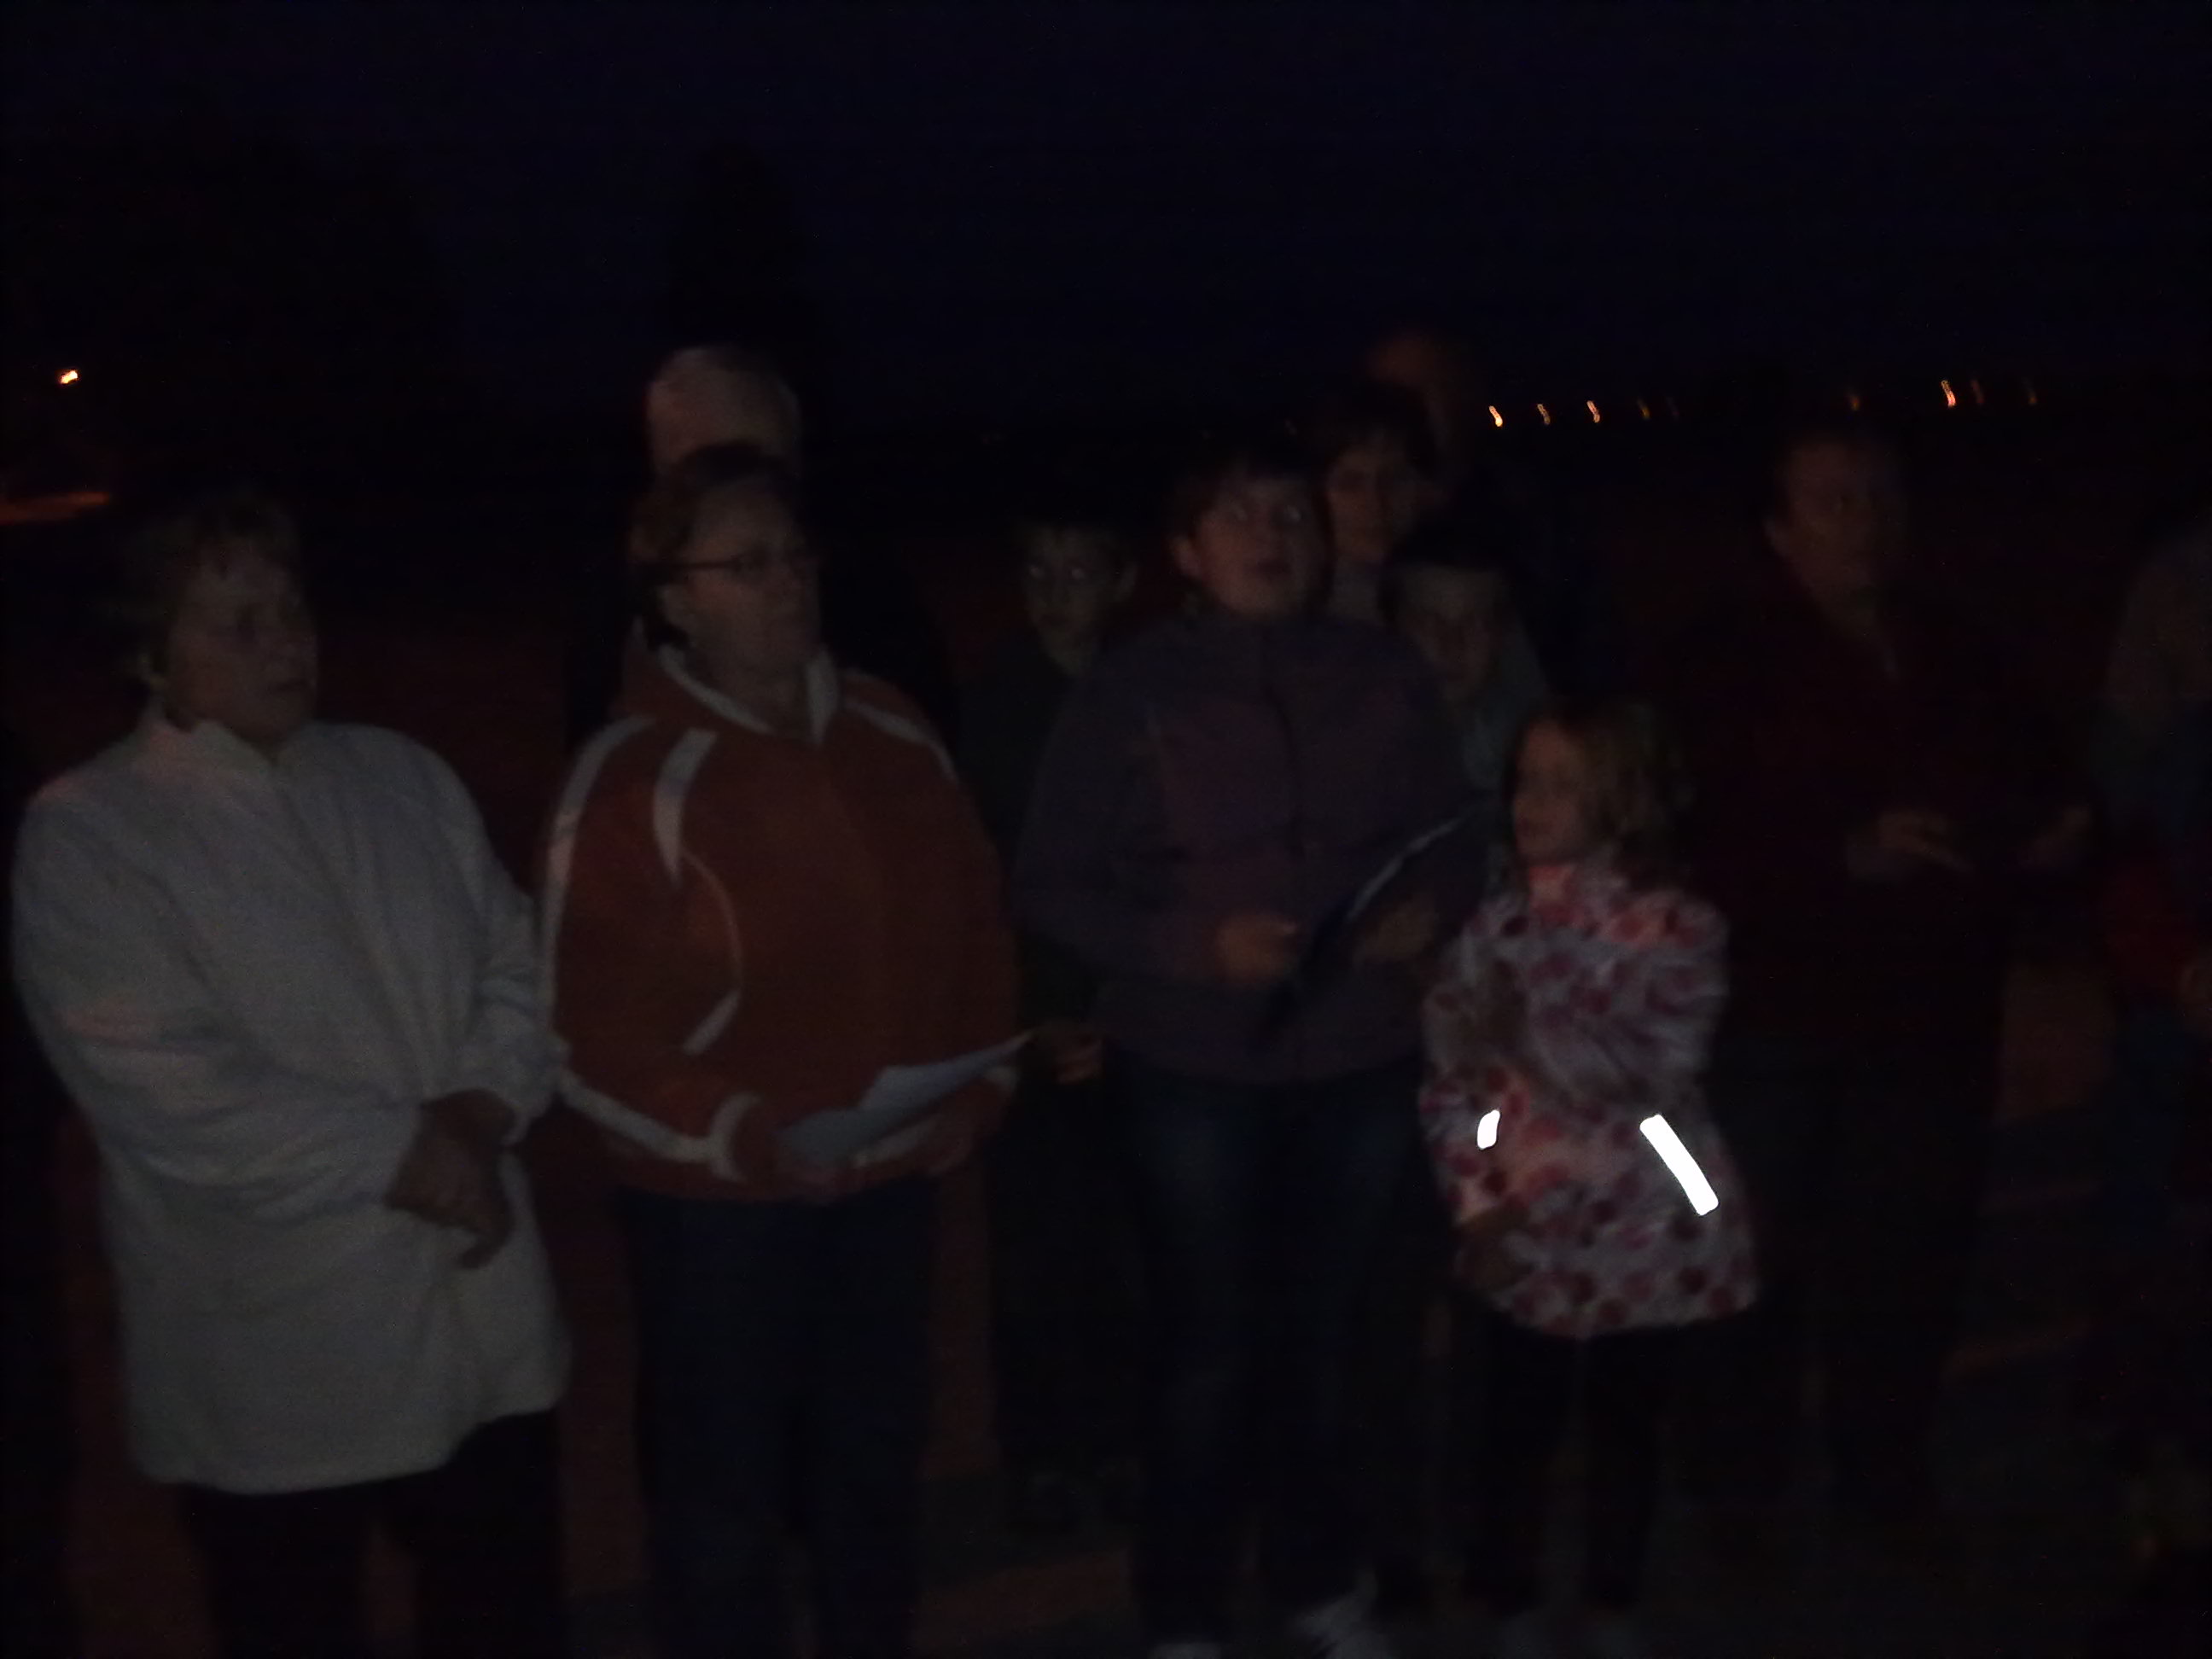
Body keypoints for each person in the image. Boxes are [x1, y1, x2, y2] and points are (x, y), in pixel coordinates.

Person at [10, 489, 569, 1659]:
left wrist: (479, 1108)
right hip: (279, 1350)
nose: (285, 644)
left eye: (293, 609)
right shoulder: (95, 833)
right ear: (148, 656)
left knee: (501, 1609)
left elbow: (514, 963)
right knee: (295, 1619)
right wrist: (409, 1154)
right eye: (238, 623)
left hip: (478, 1317)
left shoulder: (400, 777)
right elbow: (170, 1086)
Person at [544, 443, 1016, 1658]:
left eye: (796, 557)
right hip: (721, 1209)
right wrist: (739, 1129)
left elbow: (976, 921)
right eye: (747, 565)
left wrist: (986, 1077)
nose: (788, 583)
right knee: (726, 1500)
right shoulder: (630, 777)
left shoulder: (889, 725)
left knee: (874, 1470)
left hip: (889, 1179)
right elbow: (588, 1036)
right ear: (674, 600)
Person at [1016, 428, 1481, 1657]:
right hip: (1194, 1071)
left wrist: (1424, 910)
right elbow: (1051, 880)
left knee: (1325, 1337)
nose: (1271, 538)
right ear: (1184, 551)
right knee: (1208, 1346)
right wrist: (1192, 948)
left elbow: (1454, 831)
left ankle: (1316, 1580)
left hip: (1360, 1060)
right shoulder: (1131, 691)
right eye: (1239, 516)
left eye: (1290, 515)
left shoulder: (1381, 672)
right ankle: (1183, 1608)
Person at [1656, 418, 2088, 1557]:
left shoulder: (1957, 647)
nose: (1862, 522)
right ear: (1779, 529)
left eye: (1878, 496)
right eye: (1833, 500)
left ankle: (1882, 1476)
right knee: (1755, 1259)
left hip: (1931, 1012)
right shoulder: (1721, 662)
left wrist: (2048, 836)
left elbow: (2041, 778)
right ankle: (1736, 1490)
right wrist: (1838, 853)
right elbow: (1686, 834)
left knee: (1909, 1260)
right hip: (1777, 1014)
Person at [1421, 701, 1755, 1659]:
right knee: (1516, 1420)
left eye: (1563, 785)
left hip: (1646, 1222)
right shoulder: (1499, 926)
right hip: (1529, 1221)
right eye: (1526, 781)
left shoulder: (1680, 928)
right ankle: (1509, 1595)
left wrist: (1520, 1035)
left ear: (1627, 800)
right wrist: (1478, 1202)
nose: (1532, 802)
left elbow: (1651, 1073)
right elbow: (1457, 1079)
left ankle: (1613, 1596)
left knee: (1626, 1422)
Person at [958, 511, 1143, 1534]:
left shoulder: (1151, 689)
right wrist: (1029, 1018)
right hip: (1036, 1024)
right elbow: (977, 877)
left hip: (1137, 1023)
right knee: (1035, 1250)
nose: (1056, 592)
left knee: (1127, 1244)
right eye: (1039, 570)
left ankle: (1118, 1440)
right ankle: (1042, 1451)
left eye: (1078, 570)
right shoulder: (995, 704)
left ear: (1122, 580)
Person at [565, 342, 958, 743]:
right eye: (720, 469)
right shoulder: (614, 615)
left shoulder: (870, 599)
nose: (754, 492)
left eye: (772, 467)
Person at [1300, 379, 1447, 626]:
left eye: (1395, 479)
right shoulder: (1290, 607)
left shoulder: (1465, 593)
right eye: (1350, 484)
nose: (1376, 502)